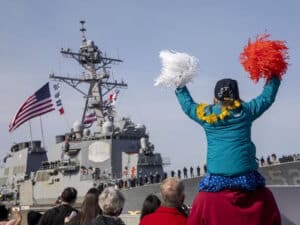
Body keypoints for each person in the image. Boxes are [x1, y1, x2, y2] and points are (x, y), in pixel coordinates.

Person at [175, 76, 281, 224]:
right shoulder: (246, 111)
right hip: (248, 181)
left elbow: (188, 106)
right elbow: (266, 98)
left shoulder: (206, 115)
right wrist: (274, 76)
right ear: (236, 96)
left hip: (215, 183)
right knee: (267, 197)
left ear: (215, 97)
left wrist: (179, 84)